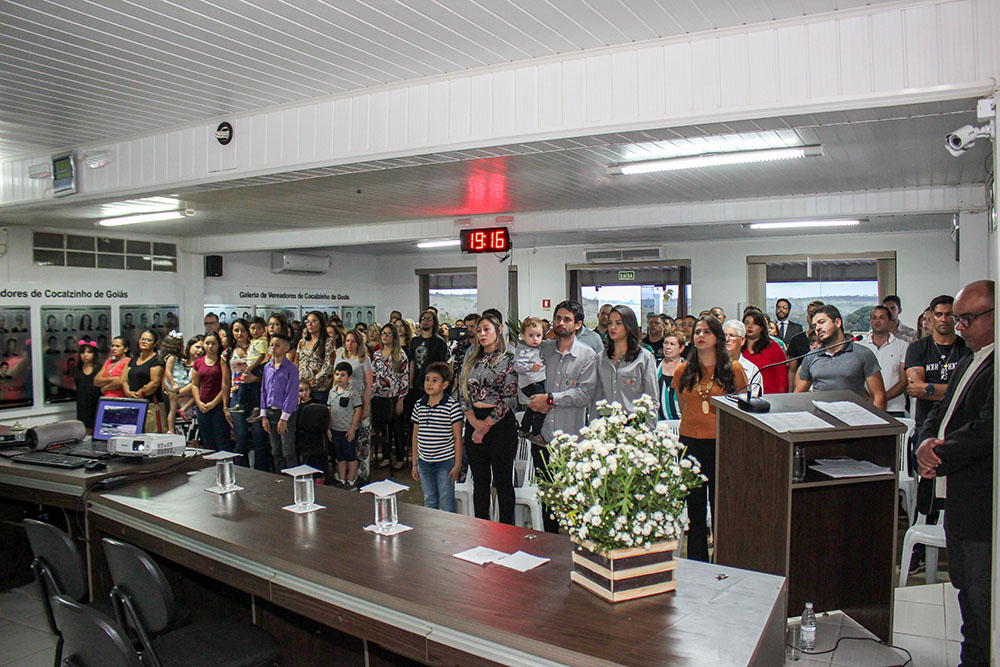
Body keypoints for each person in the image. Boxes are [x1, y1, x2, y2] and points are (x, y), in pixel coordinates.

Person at [915, 280, 994, 667]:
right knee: (963, 587)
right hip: (957, 499)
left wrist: (936, 454)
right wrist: (923, 442)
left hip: (981, 500)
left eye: (967, 319)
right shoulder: (970, 358)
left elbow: (987, 430)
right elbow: (938, 411)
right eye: (956, 319)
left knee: (982, 597)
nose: (959, 327)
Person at [672, 316, 747, 562]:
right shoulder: (683, 370)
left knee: (720, 506)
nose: (700, 336)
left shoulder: (733, 369)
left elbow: (741, 407)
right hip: (690, 443)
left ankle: (723, 561)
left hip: (720, 443)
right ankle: (697, 561)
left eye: (706, 332)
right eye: (697, 332)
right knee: (694, 507)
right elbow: (683, 405)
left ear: (717, 337)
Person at [527, 300, 599, 533]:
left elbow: (584, 394)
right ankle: (550, 544)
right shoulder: (542, 350)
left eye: (567, 319)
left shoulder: (587, 355)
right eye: (558, 318)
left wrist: (550, 399)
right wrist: (533, 401)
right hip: (542, 438)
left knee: (573, 499)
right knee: (548, 498)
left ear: (578, 325)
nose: (560, 323)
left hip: (571, 440)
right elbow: (525, 379)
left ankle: (574, 546)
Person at [459, 313, 518, 524]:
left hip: (500, 423)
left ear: (499, 330)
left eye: (487, 330)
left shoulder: (509, 358)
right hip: (474, 420)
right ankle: (482, 528)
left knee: (503, 482)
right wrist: (474, 421)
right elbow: (463, 393)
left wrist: (486, 426)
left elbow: (509, 398)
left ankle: (507, 530)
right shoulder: (471, 359)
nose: (482, 334)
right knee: (480, 482)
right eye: (479, 331)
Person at [794, 305, 886, 409]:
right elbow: (798, 396)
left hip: (853, 416)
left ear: (837, 322)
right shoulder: (810, 357)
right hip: (820, 416)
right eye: (815, 326)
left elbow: (879, 395)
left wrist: (876, 419)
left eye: (822, 322)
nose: (818, 328)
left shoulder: (863, 353)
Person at [906, 295, 970, 432]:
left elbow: (969, 390)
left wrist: (928, 388)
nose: (943, 319)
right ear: (932, 316)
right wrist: (955, 391)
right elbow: (916, 389)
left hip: (959, 424)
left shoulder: (967, 348)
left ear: (956, 317)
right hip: (927, 423)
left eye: (949, 314)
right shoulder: (918, 348)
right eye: (938, 314)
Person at [411, 361, 464, 512]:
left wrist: (457, 464)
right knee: (429, 498)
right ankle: (431, 525)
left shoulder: (452, 406)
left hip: (445, 462)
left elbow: (457, 438)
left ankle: (449, 526)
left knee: (446, 498)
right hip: (424, 462)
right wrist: (414, 463)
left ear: (445, 384)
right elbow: (415, 436)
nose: (429, 383)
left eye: (435, 380)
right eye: (427, 379)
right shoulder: (419, 405)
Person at [594, 305, 658, 417]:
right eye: (610, 323)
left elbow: (652, 399)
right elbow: (596, 397)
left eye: (618, 323)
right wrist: (594, 424)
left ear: (629, 326)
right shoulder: (601, 358)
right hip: (606, 422)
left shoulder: (644, 357)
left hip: (634, 422)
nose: (612, 327)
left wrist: (648, 426)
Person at [335, 329, 374, 480]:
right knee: (346, 439)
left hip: (360, 399)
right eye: (347, 341)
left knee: (362, 440)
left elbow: (369, 385)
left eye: (353, 341)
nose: (349, 344)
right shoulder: (340, 357)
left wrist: (365, 407)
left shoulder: (364, 359)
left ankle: (362, 475)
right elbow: (335, 381)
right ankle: (345, 475)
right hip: (344, 401)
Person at [371, 323, 409, 470]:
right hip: (379, 396)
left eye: (388, 334)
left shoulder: (400, 354)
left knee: (396, 429)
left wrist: (401, 399)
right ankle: (386, 457)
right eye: (383, 333)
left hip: (395, 396)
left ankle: (399, 458)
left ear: (394, 337)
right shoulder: (377, 354)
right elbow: (374, 375)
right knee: (384, 428)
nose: (385, 336)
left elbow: (404, 378)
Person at [857, 306, 908, 416]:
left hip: (895, 408)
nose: (877, 321)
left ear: (890, 322)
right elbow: (855, 378)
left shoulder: (902, 346)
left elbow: (903, 381)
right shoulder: (859, 346)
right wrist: (869, 398)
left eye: (882, 317)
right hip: (865, 406)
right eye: (874, 318)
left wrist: (881, 399)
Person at [260, 333, 299, 470]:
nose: (273, 348)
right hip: (270, 412)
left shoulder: (291, 368)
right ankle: (279, 476)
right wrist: (263, 414)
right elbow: (263, 391)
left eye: (277, 345)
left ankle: (292, 477)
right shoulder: (267, 367)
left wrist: (284, 418)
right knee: (275, 450)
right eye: (271, 345)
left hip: (285, 414)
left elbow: (291, 394)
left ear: (286, 348)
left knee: (287, 450)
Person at [191, 332, 231, 451]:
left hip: (218, 406)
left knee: (222, 441)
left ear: (218, 345)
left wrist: (213, 403)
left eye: (213, 343)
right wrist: (199, 402)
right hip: (202, 407)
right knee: (207, 442)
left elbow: (226, 384)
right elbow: (195, 385)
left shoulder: (222, 361)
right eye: (207, 343)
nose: (210, 346)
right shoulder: (198, 362)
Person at [327, 362, 363, 489]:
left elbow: (358, 410)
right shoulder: (332, 392)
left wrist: (352, 429)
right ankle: (342, 480)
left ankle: (351, 481)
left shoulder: (353, 392)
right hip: (335, 430)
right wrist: (328, 428)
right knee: (340, 457)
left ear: (349, 377)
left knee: (351, 456)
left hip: (348, 430)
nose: (339, 377)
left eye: (342, 375)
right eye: (337, 374)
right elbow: (329, 410)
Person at [514, 317, 547, 444]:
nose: (535, 339)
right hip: (530, 382)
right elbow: (517, 367)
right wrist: (531, 367)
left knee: (533, 406)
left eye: (538, 336)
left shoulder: (541, 346)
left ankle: (524, 429)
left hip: (538, 381)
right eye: (531, 335)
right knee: (543, 404)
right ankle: (536, 433)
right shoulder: (522, 350)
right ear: (523, 336)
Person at [292, 311, 334, 405]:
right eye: (308, 321)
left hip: (319, 388)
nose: (310, 324)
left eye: (314, 321)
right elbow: (297, 361)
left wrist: (312, 382)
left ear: (321, 324)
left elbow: (328, 365)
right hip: (302, 388)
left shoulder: (328, 341)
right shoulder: (302, 342)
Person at [742, 309, 788, 394]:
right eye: (746, 323)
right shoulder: (739, 347)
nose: (750, 326)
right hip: (743, 396)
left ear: (762, 327)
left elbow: (782, 377)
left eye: (754, 323)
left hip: (769, 396)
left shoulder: (773, 347)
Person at [786, 300, 825, 386]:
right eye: (810, 313)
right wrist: (791, 391)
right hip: (801, 384)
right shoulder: (796, 340)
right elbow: (792, 370)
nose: (812, 316)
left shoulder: (828, 339)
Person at [160, 331, 191, 435]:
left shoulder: (177, 358)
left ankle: (183, 411)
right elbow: (168, 371)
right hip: (175, 383)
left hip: (178, 382)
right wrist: (173, 384)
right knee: (172, 409)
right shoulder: (171, 358)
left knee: (176, 406)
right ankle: (171, 429)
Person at [722, 320, 762, 398]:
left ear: (742, 340)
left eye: (732, 335)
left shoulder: (752, 370)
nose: (727, 339)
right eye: (724, 335)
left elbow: (753, 399)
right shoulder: (712, 365)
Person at [74, 341, 102, 433]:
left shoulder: (99, 368)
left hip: (95, 401)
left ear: (94, 354)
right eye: (82, 352)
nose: (85, 355)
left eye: (89, 352)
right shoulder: (77, 369)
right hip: (82, 402)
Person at [656, 331, 685, 420]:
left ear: (681, 348)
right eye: (666, 343)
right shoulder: (654, 366)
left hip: (682, 421)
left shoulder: (688, 368)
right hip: (658, 422)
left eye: (672, 344)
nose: (668, 347)